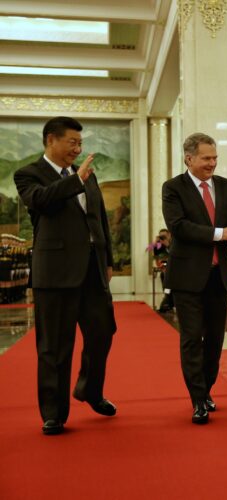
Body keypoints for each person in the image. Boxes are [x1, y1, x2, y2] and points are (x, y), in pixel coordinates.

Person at [14, 116, 118, 435]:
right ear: (50, 141)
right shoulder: (29, 174)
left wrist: (109, 259)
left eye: (80, 143)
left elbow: (98, 217)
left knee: (103, 333)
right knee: (54, 347)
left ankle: (89, 388)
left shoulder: (85, 174)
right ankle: (54, 413)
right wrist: (76, 180)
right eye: (72, 142)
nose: (77, 148)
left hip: (92, 270)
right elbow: (41, 202)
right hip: (55, 273)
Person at [161, 132, 227, 424]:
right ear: (189, 159)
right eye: (206, 158)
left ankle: (207, 388)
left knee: (214, 340)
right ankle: (197, 399)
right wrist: (222, 234)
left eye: (214, 158)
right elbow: (179, 226)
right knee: (190, 339)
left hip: (218, 276)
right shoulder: (173, 188)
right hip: (187, 277)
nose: (212, 163)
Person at [153, 228, 173, 312]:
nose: (162, 239)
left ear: (169, 235)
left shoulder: (173, 243)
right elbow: (158, 258)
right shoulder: (160, 246)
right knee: (163, 275)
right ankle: (167, 298)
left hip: (175, 269)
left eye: (164, 236)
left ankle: (168, 300)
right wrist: (156, 245)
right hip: (166, 268)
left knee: (167, 277)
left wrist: (168, 244)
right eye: (160, 237)